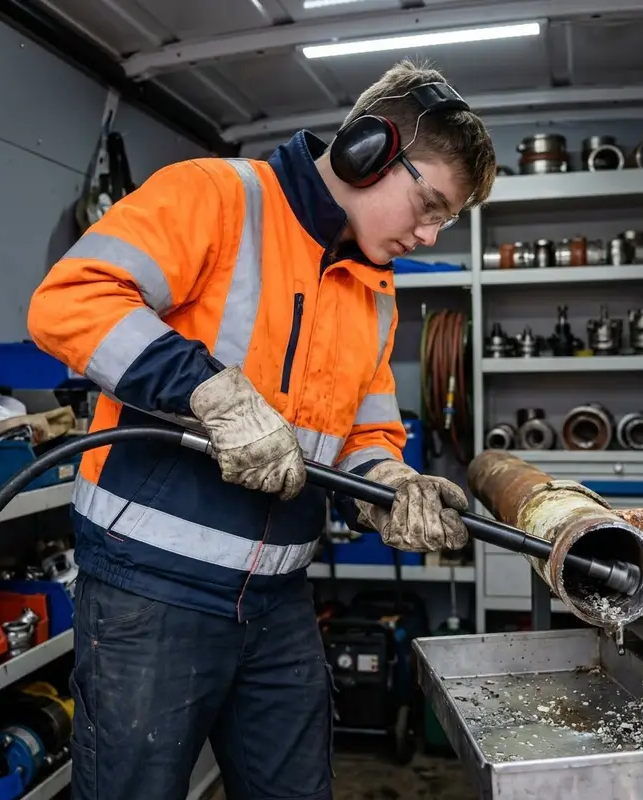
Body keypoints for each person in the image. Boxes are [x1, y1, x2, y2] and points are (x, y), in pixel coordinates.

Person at [27, 58, 496, 800]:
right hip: (150, 586)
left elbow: (366, 430)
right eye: (429, 205)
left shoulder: (375, 292)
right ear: (369, 150)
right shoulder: (218, 196)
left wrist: (387, 484)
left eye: (447, 220)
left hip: (278, 598)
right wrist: (208, 391)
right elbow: (70, 300)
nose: (431, 234)